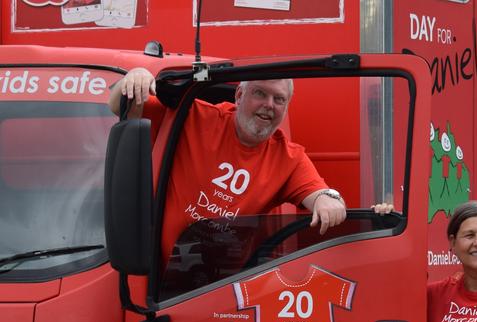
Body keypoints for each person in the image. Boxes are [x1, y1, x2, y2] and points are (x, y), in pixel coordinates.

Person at [108, 68, 347, 262]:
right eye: (260, 94)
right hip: (158, 281)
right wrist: (134, 77)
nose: (269, 105)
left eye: (279, 99)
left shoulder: (289, 159)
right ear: (239, 95)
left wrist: (329, 200)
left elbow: (323, 195)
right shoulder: (193, 117)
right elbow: (119, 105)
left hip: (224, 291)